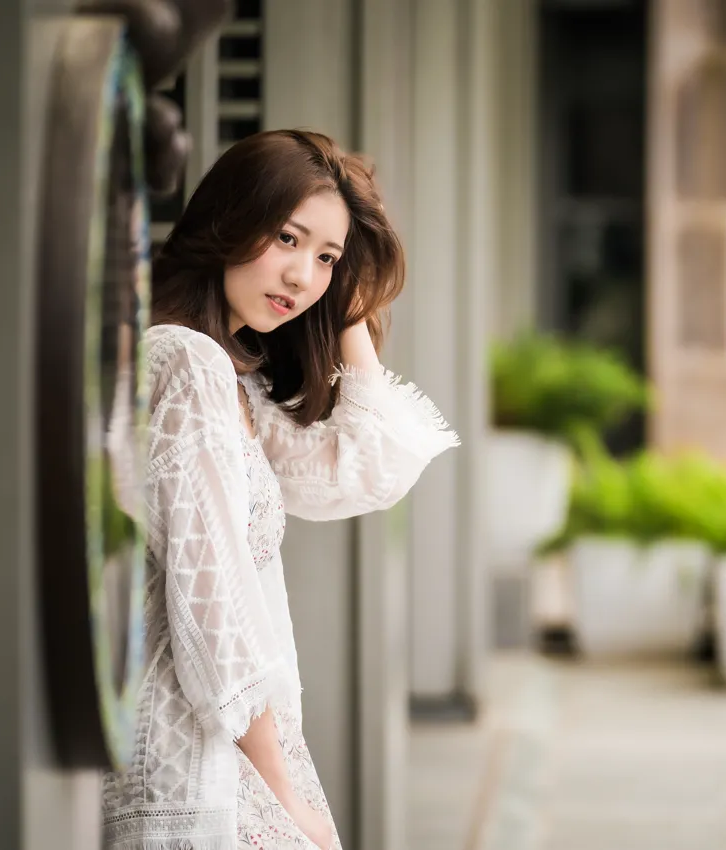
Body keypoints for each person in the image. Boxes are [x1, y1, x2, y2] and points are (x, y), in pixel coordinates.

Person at [101, 129, 459, 849]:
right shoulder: (187, 365)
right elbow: (214, 607)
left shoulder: (234, 387)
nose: (301, 276)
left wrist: (347, 304)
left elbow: (367, 467)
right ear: (229, 220)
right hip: (193, 765)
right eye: (287, 238)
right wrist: (283, 792)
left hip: (219, 753)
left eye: (326, 258)